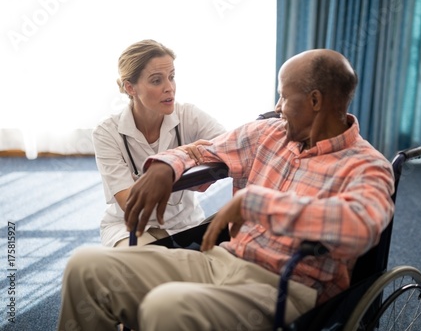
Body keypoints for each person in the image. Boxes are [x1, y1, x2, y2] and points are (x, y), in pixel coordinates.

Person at [58, 49, 395, 331]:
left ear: (315, 101)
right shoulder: (269, 134)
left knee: (166, 307)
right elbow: (204, 148)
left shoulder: (367, 166)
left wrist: (258, 203)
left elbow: (359, 226)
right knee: (86, 267)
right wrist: (165, 164)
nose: (278, 107)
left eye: (284, 95)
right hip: (223, 260)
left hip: (287, 288)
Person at [93, 39, 226, 247]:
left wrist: (192, 160)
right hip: (130, 227)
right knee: (143, 261)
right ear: (130, 87)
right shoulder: (107, 133)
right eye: (156, 81)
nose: (169, 88)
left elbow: (231, 146)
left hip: (185, 223)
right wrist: (179, 158)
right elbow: (131, 204)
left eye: (171, 77)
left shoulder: (188, 115)